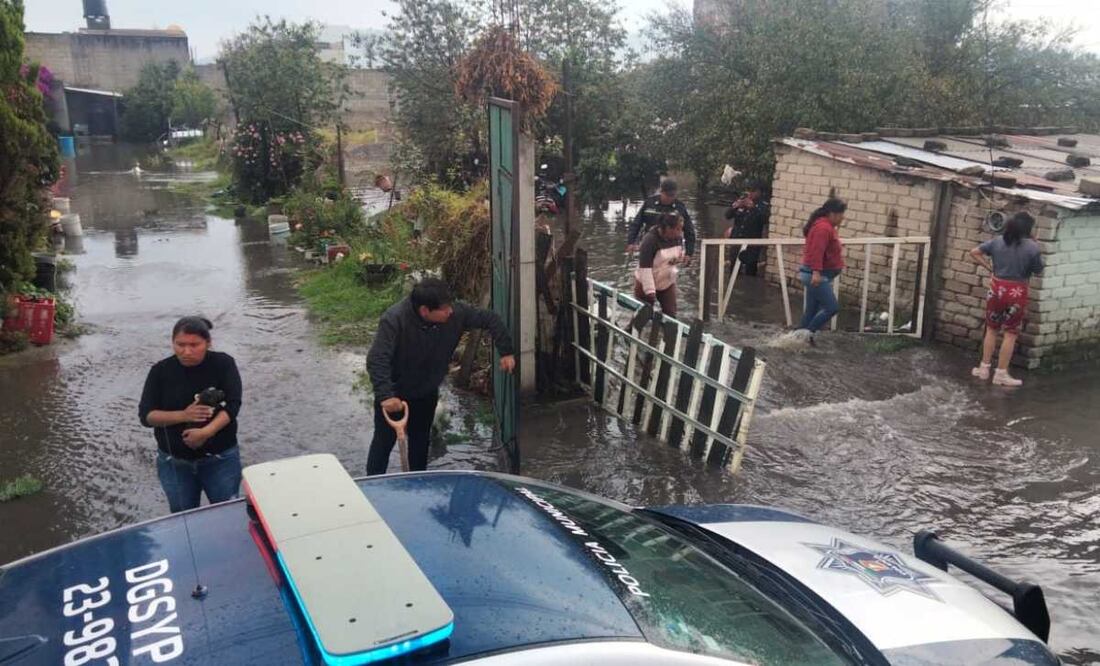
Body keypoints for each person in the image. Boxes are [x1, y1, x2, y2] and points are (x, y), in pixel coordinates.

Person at [366, 278, 515, 475]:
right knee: (383, 444)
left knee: (420, 443)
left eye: (450, 306)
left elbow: (490, 319)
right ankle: (372, 487)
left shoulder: (456, 314)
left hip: (426, 391)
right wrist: (385, 395)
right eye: (444, 309)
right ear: (425, 311)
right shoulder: (394, 319)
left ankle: (419, 485)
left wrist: (506, 352)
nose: (450, 311)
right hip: (395, 395)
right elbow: (377, 359)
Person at [139, 317, 243, 513]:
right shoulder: (160, 372)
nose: (186, 351)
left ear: (208, 343)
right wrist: (184, 415)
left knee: (226, 513)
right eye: (180, 345)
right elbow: (146, 416)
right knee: (182, 517)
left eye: (194, 345)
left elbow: (233, 405)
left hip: (221, 459)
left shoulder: (224, 364)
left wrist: (206, 432)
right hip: (174, 463)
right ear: (172, 343)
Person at [969, 212, 1044, 386]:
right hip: (1016, 292)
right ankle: (1001, 374)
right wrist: (1035, 246)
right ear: (1028, 229)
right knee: (1010, 333)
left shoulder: (997, 241)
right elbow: (1038, 270)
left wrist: (990, 268)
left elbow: (974, 252)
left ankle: (983, 369)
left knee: (992, 328)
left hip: (996, 289)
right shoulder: (1032, 247)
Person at [797, 198, 848, 339]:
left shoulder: (824, 226)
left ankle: (796, 339)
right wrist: (816, 272)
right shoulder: (823, 228)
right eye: (841, 214)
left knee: (811, 311)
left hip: (816, 274)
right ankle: (807, 334)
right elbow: (816, 251)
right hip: (816, 275)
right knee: (832, 308)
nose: (843, 217)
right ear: (832, 214)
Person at [626, 179, 696, 263]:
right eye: (667, 195)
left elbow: (689, 231)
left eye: (672, 195)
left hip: (671, 247)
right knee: (646, 271)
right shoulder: (649, 204)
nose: (670, 198)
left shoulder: (679, 207)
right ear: (661, 192)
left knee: (667, 273)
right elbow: (636, 224)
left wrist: (689, 253)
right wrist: (631, 242)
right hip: (650, 245)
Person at [634, 213, 685, 317]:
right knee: (642, 315)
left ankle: (669, 333)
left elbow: (679, 254)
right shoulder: (649, 240)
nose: (680, 233)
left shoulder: (678, 238)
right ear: (667, 228)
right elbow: (645, 268)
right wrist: (650, 291)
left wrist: (679, 259)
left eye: (681, 229)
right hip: (646, 281)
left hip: (666, 282)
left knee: (671, 314)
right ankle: (630, 331)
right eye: (677, 229)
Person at [724, 181, 770, 276]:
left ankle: (749, 287)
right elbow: (727, 216)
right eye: (749, 190)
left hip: (751, 245)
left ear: (759, 192)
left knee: (750, 271)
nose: (750, 193)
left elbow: (765, 220)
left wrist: (753, 208)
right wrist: (735, 207)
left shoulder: (763, 205)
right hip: (736, 242)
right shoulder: (742, 200)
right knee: (734, 270)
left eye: (753, 191)